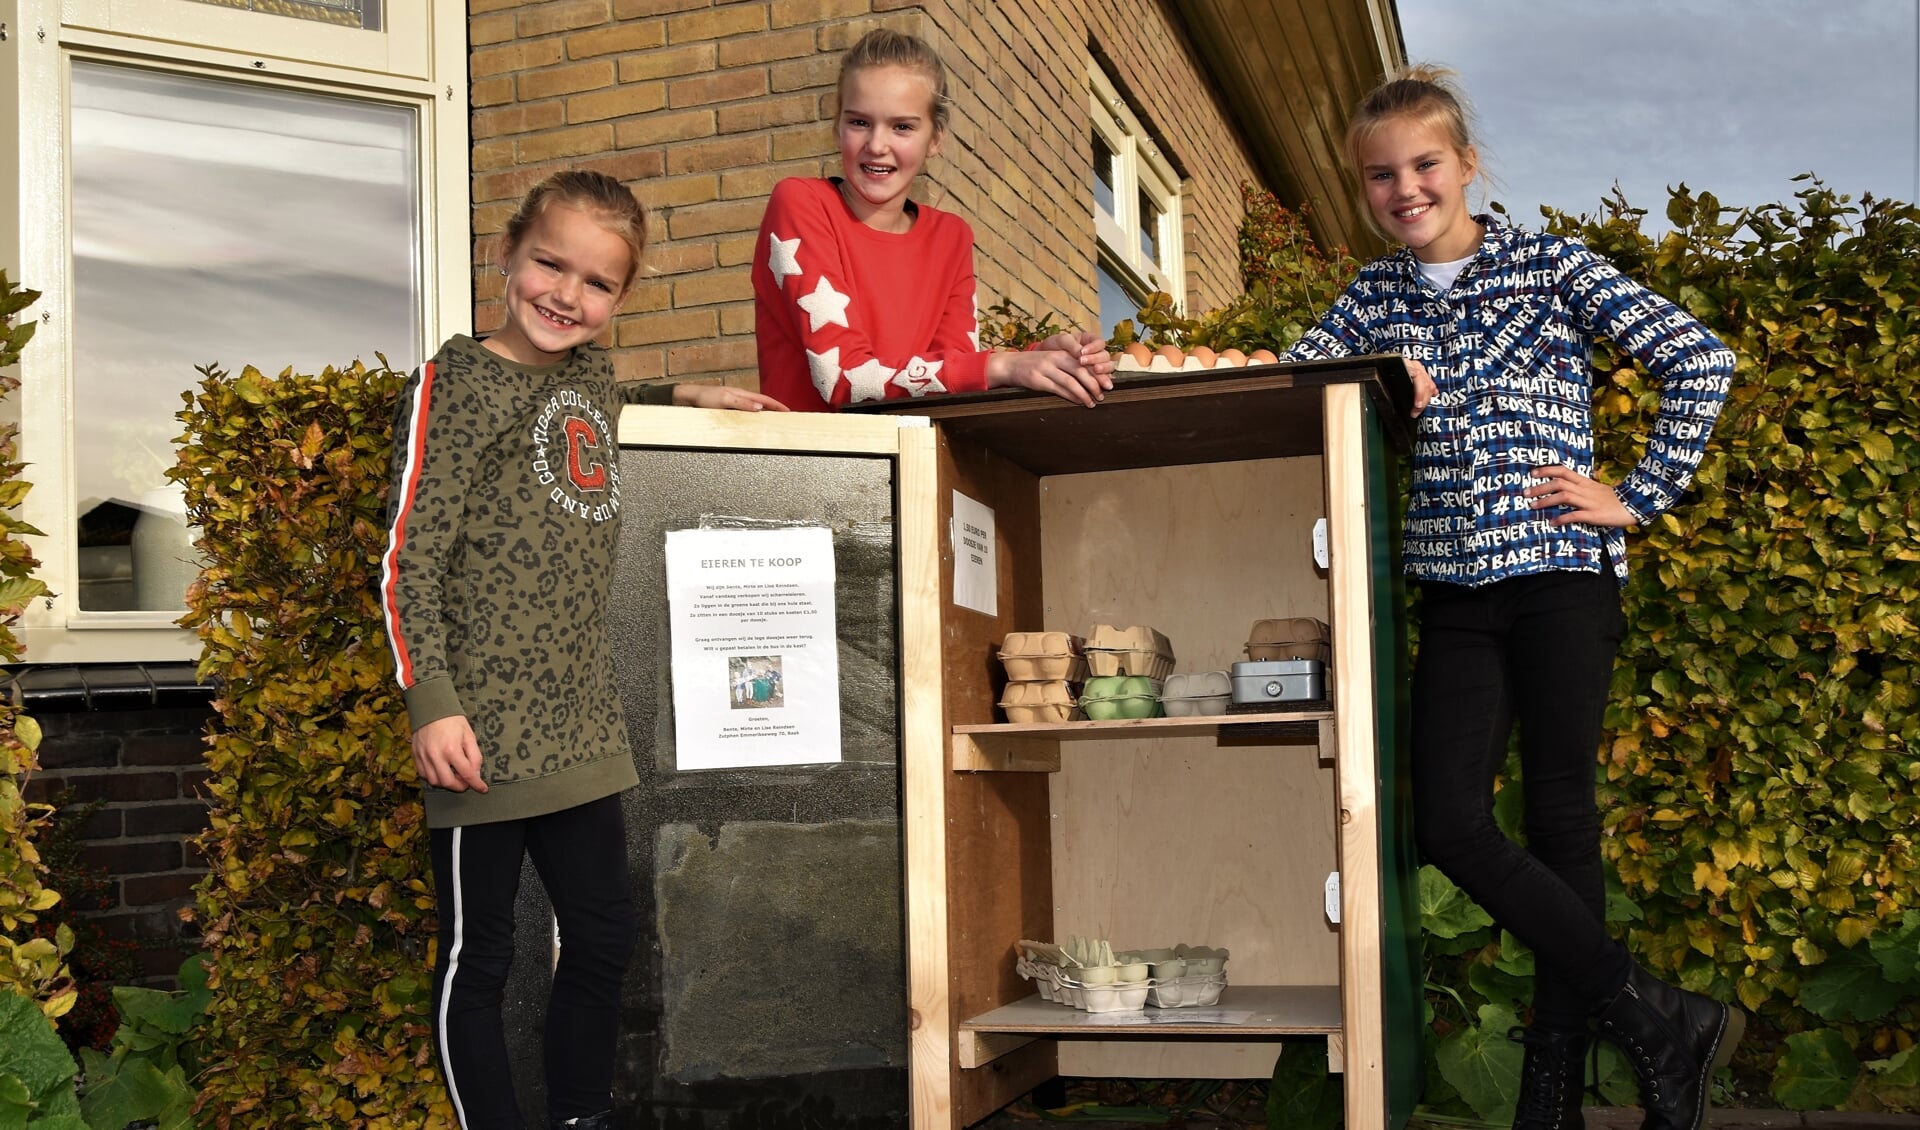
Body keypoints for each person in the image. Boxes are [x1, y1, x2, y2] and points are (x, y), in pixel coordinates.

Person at [1282, 67, 1738, 1130]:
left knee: (1563, 821)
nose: (1406, 188)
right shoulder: (1371, 299)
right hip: (1454, 591)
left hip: (1561, 576)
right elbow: (1290, 382)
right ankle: (1656, 1015)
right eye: (1381, 176)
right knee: (1447, 822)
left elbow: (1699, 360)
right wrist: (1372, 372)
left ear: (1467, 163)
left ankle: (1551, 1094)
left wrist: (1638, 495)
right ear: (1364, 190)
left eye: (1425, 164)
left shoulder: (1549, 264)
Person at [381, 169, 787, 1130]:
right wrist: (431, 700)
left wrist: (685, 388)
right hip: (479, 730)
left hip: (579, 721)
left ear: (622, 297)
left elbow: (596, 400)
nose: (567, 295)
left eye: (597, 283)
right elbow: (408, 554)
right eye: (548, 265)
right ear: (506, 254)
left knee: (603, 940)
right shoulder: (456, 382)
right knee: (480, 959)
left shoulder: (587, 376)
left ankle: (579, 1117)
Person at [751, 27, 1115, 411]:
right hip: (814, 463)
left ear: (936, 138)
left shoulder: (950, 236)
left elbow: (952, 371)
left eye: (902, 127)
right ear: (837, 125)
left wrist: (1040, 358)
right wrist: (1002, 366)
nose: (876, 145)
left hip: (913, 460)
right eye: (859, 122)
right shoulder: (800, 202)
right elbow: (844, 377)